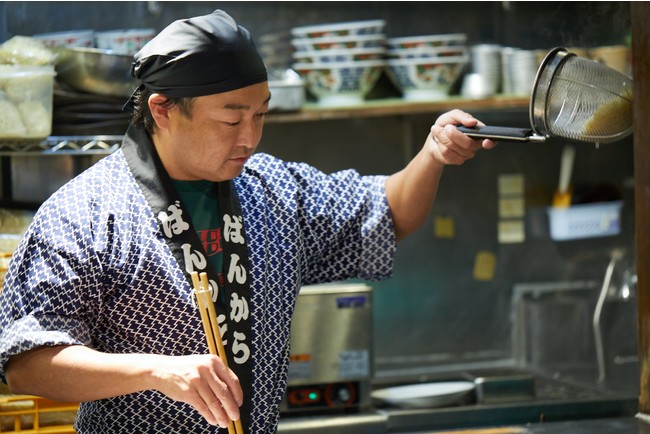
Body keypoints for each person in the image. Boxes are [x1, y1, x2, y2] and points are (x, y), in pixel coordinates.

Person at [0, 9, 495, 434]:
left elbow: (386, 215)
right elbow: (26, 363)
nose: (250, 138)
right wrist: (155, 371)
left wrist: (433, 155)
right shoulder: (86, 211)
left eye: (260, 115)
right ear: (163, 109)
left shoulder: (272, 190)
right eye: (231, 120)